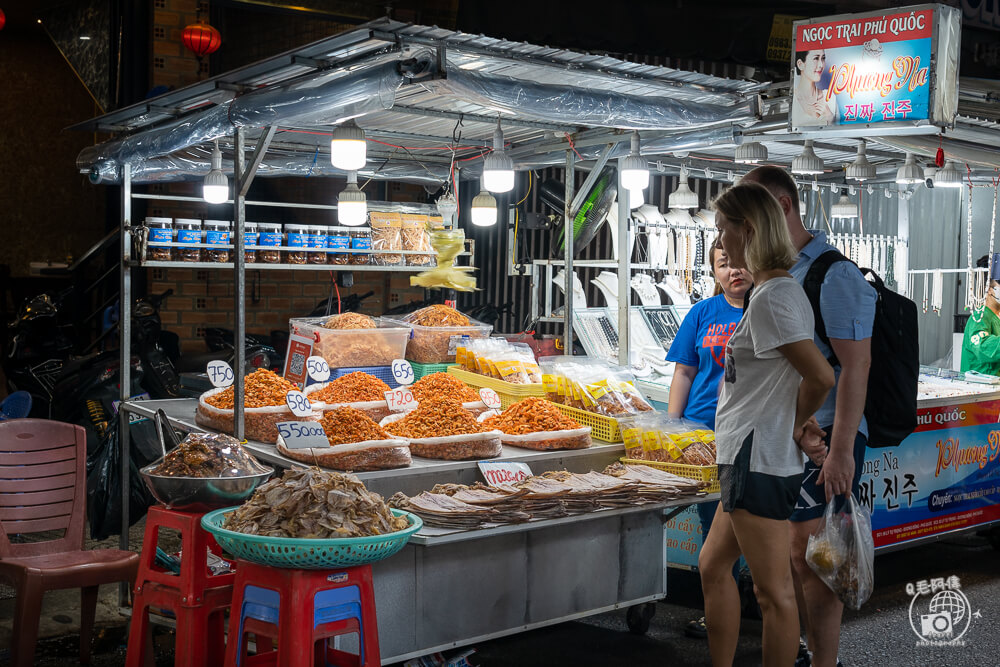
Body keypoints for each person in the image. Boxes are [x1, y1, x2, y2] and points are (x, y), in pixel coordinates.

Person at [742, 165, 876, 667]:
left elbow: (856, 365)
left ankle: (825, 661)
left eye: (749, 219)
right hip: (785, 434)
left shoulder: (831, 273)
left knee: (817, 555)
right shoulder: (775, 272)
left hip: (825, 435)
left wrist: (841, 451)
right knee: (790, 554)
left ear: (780, 207)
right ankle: (804, 649)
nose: (741, 232)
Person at [699, 182, 834, 667]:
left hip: (757, 459)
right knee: (712, 565)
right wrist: (796, 416)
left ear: (748, 230)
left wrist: (797, 420)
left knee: (773, 592)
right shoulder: (773, 292)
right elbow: (785, 377)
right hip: (749, 454)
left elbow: (819, 374)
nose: (722, 243)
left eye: (724, 230)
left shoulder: (775, 295)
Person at [665, 240, 751, 639]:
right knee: (711, 525)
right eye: (724, 264)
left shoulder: (765, 309)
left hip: (751, 434)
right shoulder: (702, 313)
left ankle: (760, 604)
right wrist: (672, 427)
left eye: (740, 262)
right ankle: (716, 611)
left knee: (752, 523)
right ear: (714, 272)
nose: (734, 270)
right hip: (703, 432)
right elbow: (684, 371)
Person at [961, 278, 1000, 376]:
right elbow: (982, 346)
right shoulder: (980, 316)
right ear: (990, 290)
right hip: (979, 383)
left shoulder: (996, 317)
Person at [791, 49, 837, 127]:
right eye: (816, 58)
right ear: (800, 64)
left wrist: (830, 117)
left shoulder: (829, 97)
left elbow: (839, 135)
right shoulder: (792, 100)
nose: (821, 65)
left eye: (823, 58)